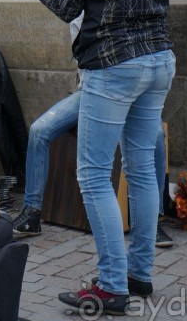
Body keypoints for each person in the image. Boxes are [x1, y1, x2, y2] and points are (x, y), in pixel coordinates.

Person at [0, 0, 180, 315]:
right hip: (159, 60)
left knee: (95, 176)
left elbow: (64, 4)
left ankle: (110, 286)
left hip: (113, 64)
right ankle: (140, 274)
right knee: (142, 169)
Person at [13, 19, 174, 249]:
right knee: (40, 130)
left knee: (157, 137)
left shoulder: (127, 6)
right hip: (93, 92)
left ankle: (153, 221)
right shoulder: (78, 17)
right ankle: (32, 211)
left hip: (134, 91)